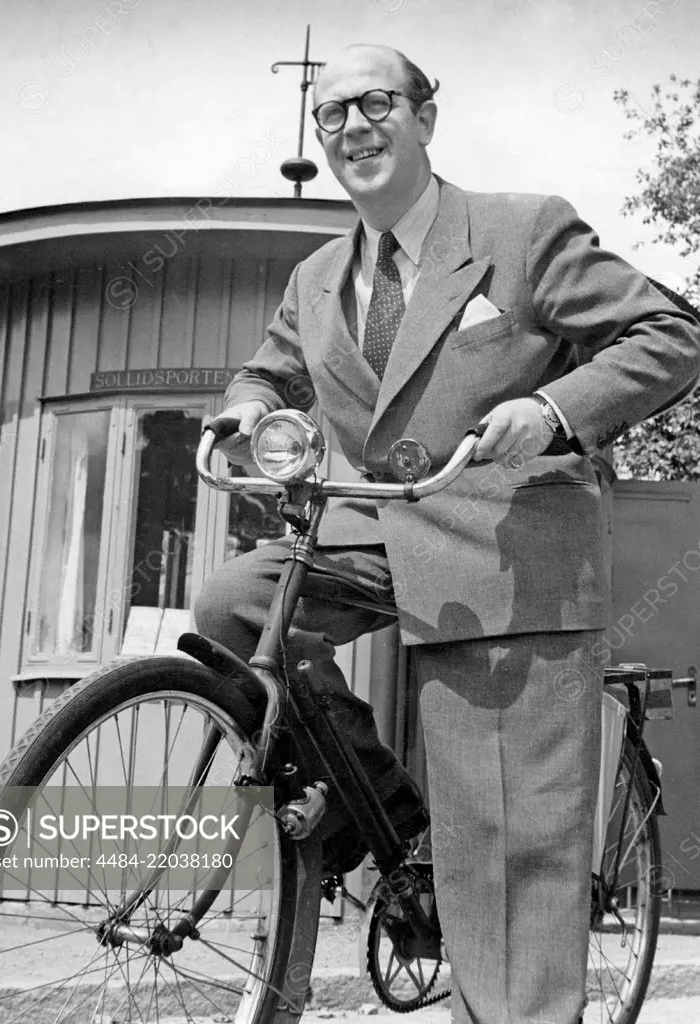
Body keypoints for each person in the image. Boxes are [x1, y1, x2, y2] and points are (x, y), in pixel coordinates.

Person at [194, 43, 700, 1024]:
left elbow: (671, 335)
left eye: (375, 102)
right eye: (331, 114)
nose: (352, 127)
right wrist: (238, 410)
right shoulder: (315, 276)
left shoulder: (523, 229)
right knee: (233, 606)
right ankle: (388, 830)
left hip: (500, 539)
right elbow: (271, 371)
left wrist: (554, 409)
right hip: (370, 528)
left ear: (427, 116)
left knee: (507, 858)